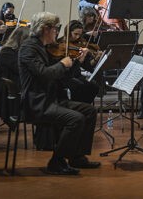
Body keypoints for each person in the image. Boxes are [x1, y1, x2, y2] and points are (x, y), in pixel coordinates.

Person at [18, 12, 100, 175]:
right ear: (44, 29)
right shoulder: (28, 48)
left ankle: (76, 157)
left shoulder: (43, 47)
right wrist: (62, 64)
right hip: (37, 103)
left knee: (89, 111)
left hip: (51, 99)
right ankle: (56, 162)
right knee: (75, 119)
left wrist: (76, 63)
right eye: (55, 28)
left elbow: (62, 78)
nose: (57, 32)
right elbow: (44, 74)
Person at [54, 20, 102, 104]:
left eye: (79, 34)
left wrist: (96, 59)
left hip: (77, 75)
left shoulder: (79, 44)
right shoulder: (60, 44)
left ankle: (84, 106)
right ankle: (79, 107)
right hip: (66, 76)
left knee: (94, 87)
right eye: (75, 34)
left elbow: (87, 66)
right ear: (68, 32)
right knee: (81, 87)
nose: (77, 37)